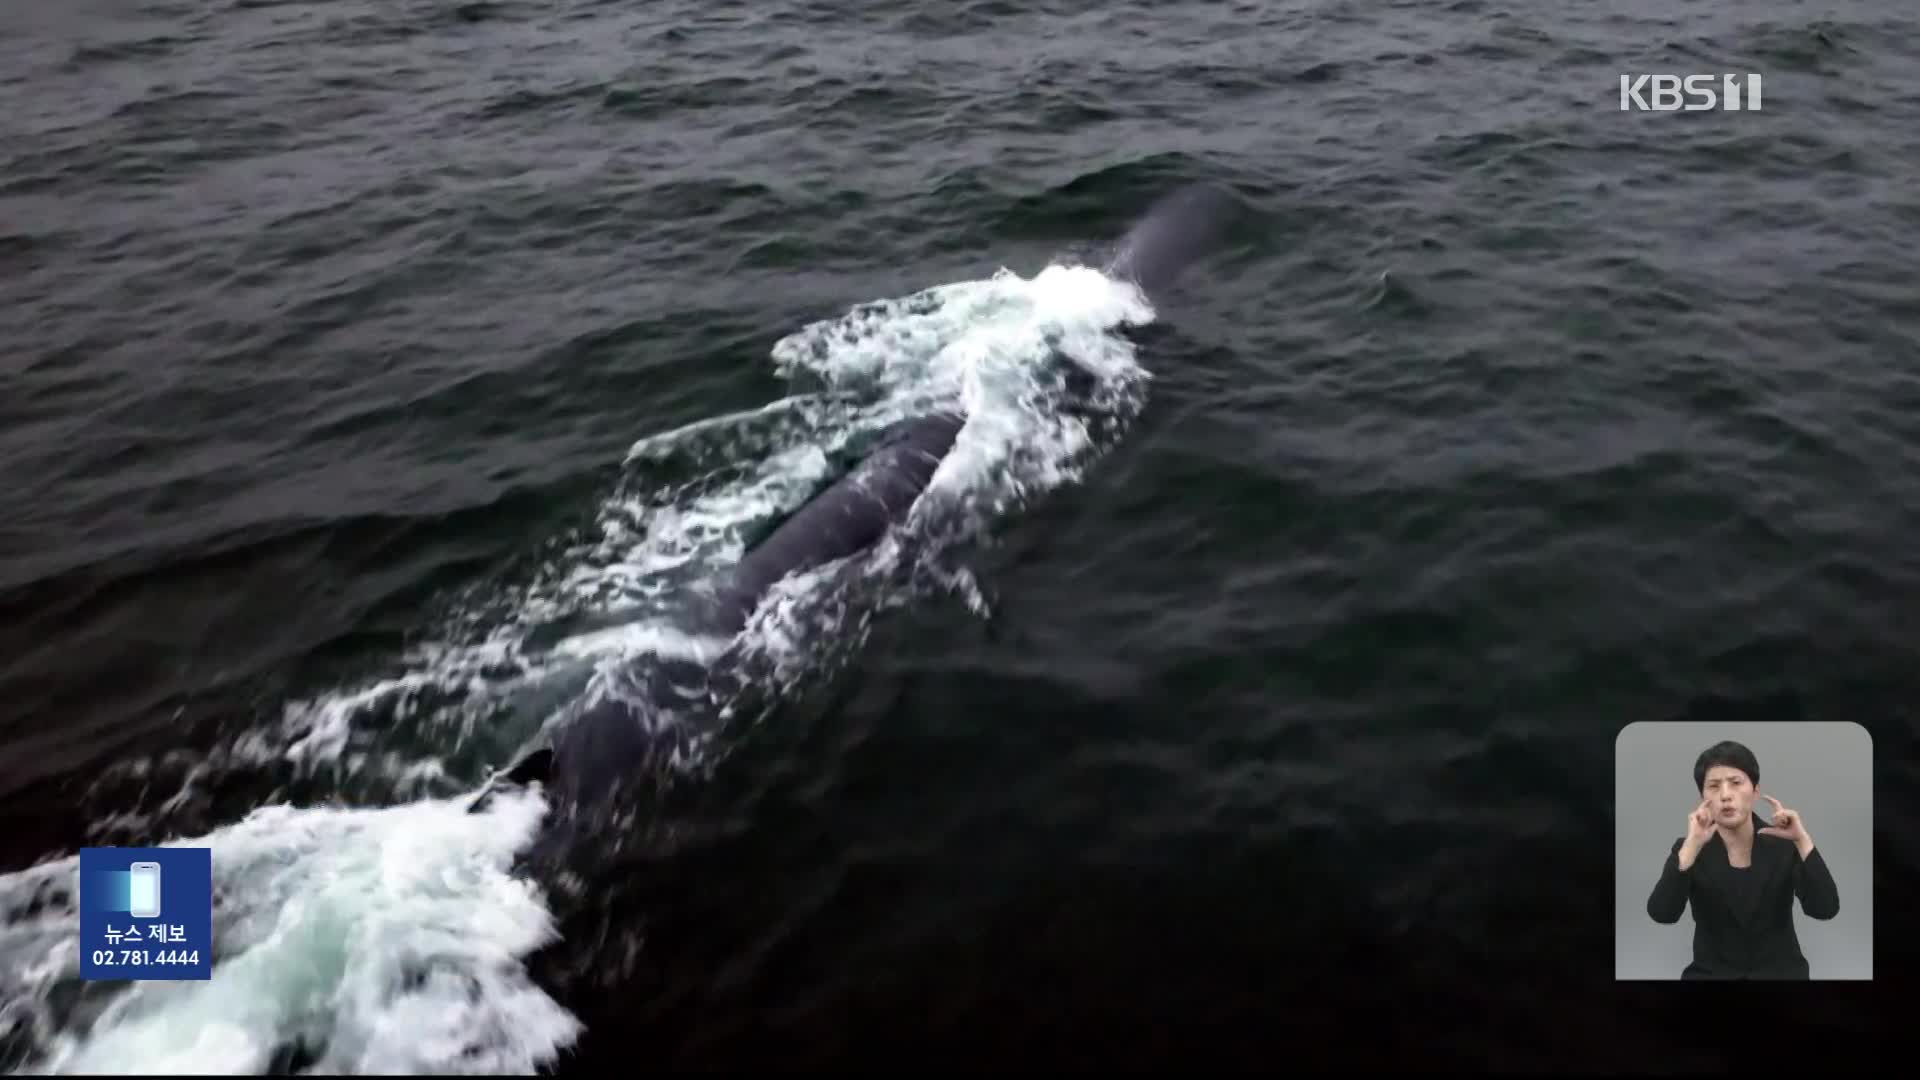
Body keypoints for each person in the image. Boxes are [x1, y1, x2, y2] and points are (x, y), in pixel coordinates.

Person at [1645, 739, 1841, 979]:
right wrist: (1691, 846)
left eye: (1736, 783)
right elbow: (1663, 913)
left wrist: (1802, 840)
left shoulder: (1782, 845)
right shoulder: (1689, 849)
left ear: (1755, 791)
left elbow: (1825, 908)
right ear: (1703, 796)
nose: (1726, 795)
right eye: (1714, 786)